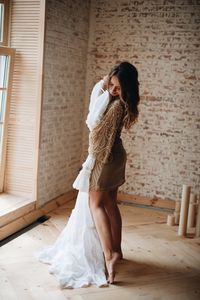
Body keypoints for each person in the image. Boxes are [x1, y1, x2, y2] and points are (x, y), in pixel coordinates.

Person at [35, 61, 140, 289]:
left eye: (117, 88)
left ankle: (109, 253)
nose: (112, 90)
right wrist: (104, 87)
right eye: (111, 84)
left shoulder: (114, 108)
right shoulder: (122, 103)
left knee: (97, 206)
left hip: (104, 159)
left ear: (126, 89)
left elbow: (94, 126)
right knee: (111, 203)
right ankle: (118, 249)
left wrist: (100, 91)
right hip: (116, 156)